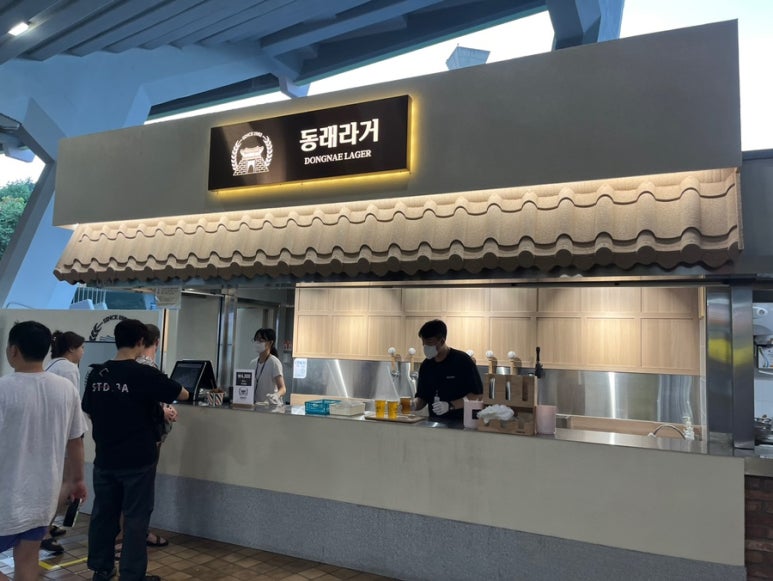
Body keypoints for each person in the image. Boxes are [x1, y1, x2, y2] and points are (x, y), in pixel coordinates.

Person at [82, 319, 189, 581]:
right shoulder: (144, 374)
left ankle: (102, 569)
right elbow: (183, 393)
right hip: (138, 460)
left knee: (103, 515)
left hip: (105, 458)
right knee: (136, 518)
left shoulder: (97, 374)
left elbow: (89, 410)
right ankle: (132, 575)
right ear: (141, 342)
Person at [0, 321, 87, 581]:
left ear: (13, 350)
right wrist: (78, 480)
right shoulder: (66, 389)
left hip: (5, 497)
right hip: (42, 498)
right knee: (28, 561)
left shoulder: (3, 388)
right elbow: (76, 441)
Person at [40, 330, 87, 554]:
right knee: (67, 483)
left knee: (57, 484)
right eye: (82, 347)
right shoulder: (68, 368)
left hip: (49, 435)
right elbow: (71, 405)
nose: (83, 352)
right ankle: (44, 532)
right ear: (71, 349)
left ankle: (45, 527)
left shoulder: (51, 365)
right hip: (64, 435)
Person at [136, 323, 176, 549]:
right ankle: (131, 537)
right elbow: (144, 405)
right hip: (147, 439)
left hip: (134, 439)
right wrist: (163, 411)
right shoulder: (148, 368)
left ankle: (130, 535)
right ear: (157, 342)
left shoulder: (131, 366)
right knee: (140, 491)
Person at [412, 319, 483, 420]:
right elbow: (423, 397)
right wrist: (413, 404)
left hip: (461, 423)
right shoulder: (426, 365)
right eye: (424, 344)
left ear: (442, 341)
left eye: (429, 343)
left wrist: (450, 405)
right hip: (434, 423)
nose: (426, 347)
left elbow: (477, 395)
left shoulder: (462, 361)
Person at [249, 328, 286, 405]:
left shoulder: (274, 362)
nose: (257, 342)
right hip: (257, 405)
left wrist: (276, 395)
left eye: (261, 340)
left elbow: (283, 388)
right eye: (256, 339)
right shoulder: (253, 363)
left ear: (270, 343)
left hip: (272, 406)